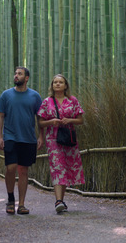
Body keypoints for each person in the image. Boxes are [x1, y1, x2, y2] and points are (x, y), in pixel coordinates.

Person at [0, 66, 44, 215]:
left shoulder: (35, 96)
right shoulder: (6, 95)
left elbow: (40, 117)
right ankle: (11, 199)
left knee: (23, 171)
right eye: (15, 73)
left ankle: (21, 204)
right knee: (11, 168)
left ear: (27, 78)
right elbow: (0, 116)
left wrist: (41, 136)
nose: (16, 76)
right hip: (11, 136)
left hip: (28, 138)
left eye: (20, 74)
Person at [37, 74, 85, 213]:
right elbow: (40, 122)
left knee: (66, 167)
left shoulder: (72, 100)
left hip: (69, 138)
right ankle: (58, 200)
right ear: (52, 85)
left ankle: (61, 200)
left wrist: (69, 120)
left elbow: (80, 120)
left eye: (61, 82)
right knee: (58, 167)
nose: (58, 84)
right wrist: (51, 122)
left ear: (65, 85)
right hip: (53, 138)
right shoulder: (47, 101)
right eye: (55, 82)